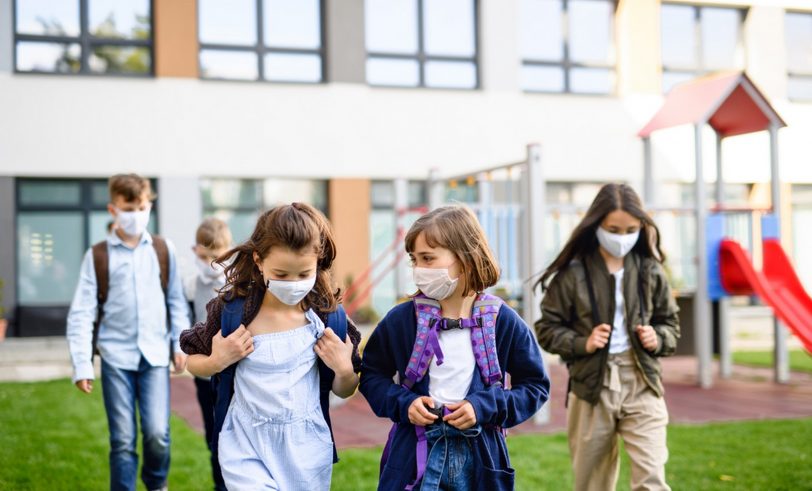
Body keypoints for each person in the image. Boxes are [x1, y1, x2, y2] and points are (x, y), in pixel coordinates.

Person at [361, 204, 550, 491]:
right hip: (414, 454)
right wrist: (404, 403)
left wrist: (483, 407)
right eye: (414, 260)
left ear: (465, 259)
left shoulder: (502, 321)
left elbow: (535, 386)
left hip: (481, 458)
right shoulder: (401, 320)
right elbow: (372, 374)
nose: (418, 270)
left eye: (428, 258)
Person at [180, 203, 362, 490]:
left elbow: (345, 389)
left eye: (303, 274)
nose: (293, 283)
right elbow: (190, 359)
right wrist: (217, 361)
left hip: (307, 448)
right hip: (245, 444)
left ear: (318, 262)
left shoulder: (328, 316)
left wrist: (344, 370)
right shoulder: (233, 311)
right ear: (259, 260)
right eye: (281, 274)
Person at [535, 183, 680, 491]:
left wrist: (658, 337)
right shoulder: (573, 274)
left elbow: (670, 324)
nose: (622, 238)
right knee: (593, 483)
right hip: (591, 386)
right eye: (613, 230)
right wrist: (582, 343)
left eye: (631, 230)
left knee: (652, 479)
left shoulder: (650, 270)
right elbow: (547, 328)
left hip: (642, 381)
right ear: (596, 225)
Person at [67, 173, 189, 491]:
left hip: (155, 356)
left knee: (157, 434)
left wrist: (180, 343)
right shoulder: (98, 256)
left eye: (141, 207)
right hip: (116, 358)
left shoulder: (163, 250)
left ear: (149, 206)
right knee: (122, 439)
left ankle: (156, 484)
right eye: (128, 208)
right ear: (113, 210)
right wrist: (81, 363)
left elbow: (176, 302)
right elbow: (81, 313)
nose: (136, 214)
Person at [188, 217, 232, 491]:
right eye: (204, 257)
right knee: (213, 435)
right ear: (195, 251)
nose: (210, 264)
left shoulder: (236, 284)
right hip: (204, 374)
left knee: (231, 433)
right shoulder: (191, 285)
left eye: (216, 258)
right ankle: (220, 485)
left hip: (232, 374)